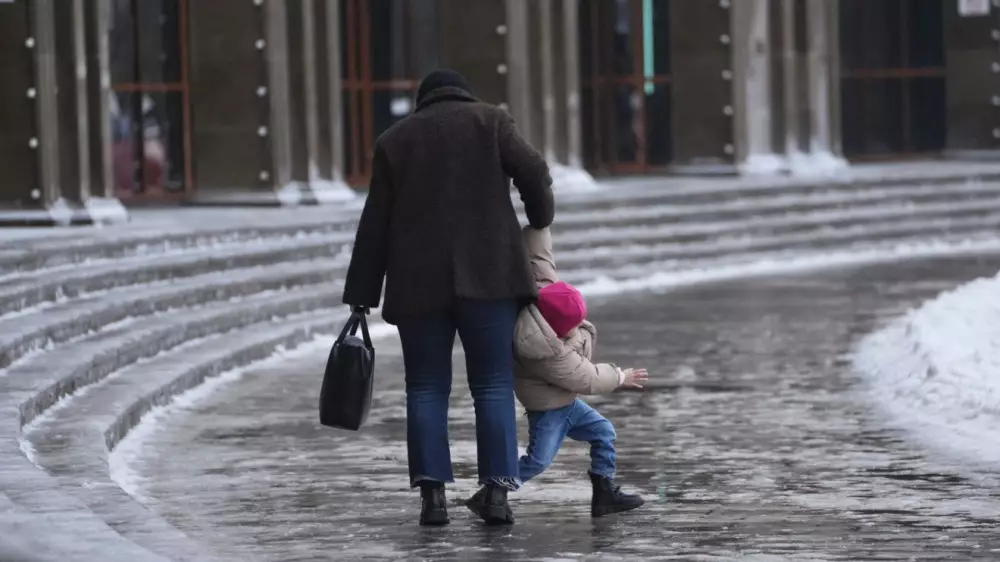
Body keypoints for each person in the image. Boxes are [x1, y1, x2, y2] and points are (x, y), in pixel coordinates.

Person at [342, 69, 554, 526]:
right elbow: (533, 168)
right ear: (464, 92)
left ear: (423, 100)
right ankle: (497, 493)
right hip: (490, 278)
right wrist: (539, 216)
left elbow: (374, 223)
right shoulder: (490, 122)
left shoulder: (396, 140)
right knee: (493, 384)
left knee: (425, 387)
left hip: (418, 284)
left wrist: (361, 294)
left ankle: (432, 497)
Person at [466, 226, 648, 521]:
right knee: (538, 461)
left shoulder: (542, 299)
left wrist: (540, 223)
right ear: (559, 329)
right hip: (548, 411)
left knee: (604, 432)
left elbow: (541, 261)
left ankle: (604, 493)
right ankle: (492, 492)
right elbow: (586, 377)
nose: (579, 327)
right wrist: (620, 377)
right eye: (573, 325)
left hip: (569, 405)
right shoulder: (542, 349)